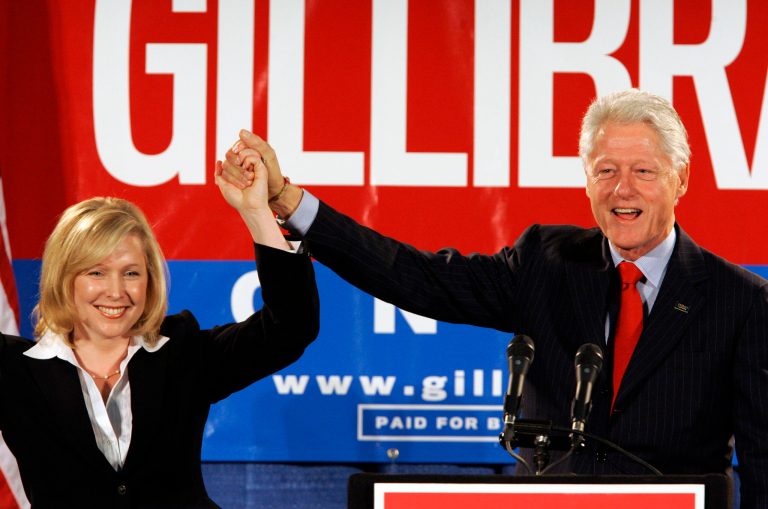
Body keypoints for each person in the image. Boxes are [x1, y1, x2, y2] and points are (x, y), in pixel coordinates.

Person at [221, 89, 768, 508]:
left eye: (643, 171)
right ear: (587, 180)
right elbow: (414, 277)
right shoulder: (546, 263)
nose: (622, 189)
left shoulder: (740, 302)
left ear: (680, 179)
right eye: (606, 171)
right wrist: (288, 201)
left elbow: (763, 464)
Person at [0, 159, 319, 508]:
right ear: (64, 278)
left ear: (150, 280)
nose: (116, 291)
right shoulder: (15, 370)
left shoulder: (183, 351)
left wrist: (257, 212)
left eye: (131, 273)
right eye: (96, 273)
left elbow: (291, 327)